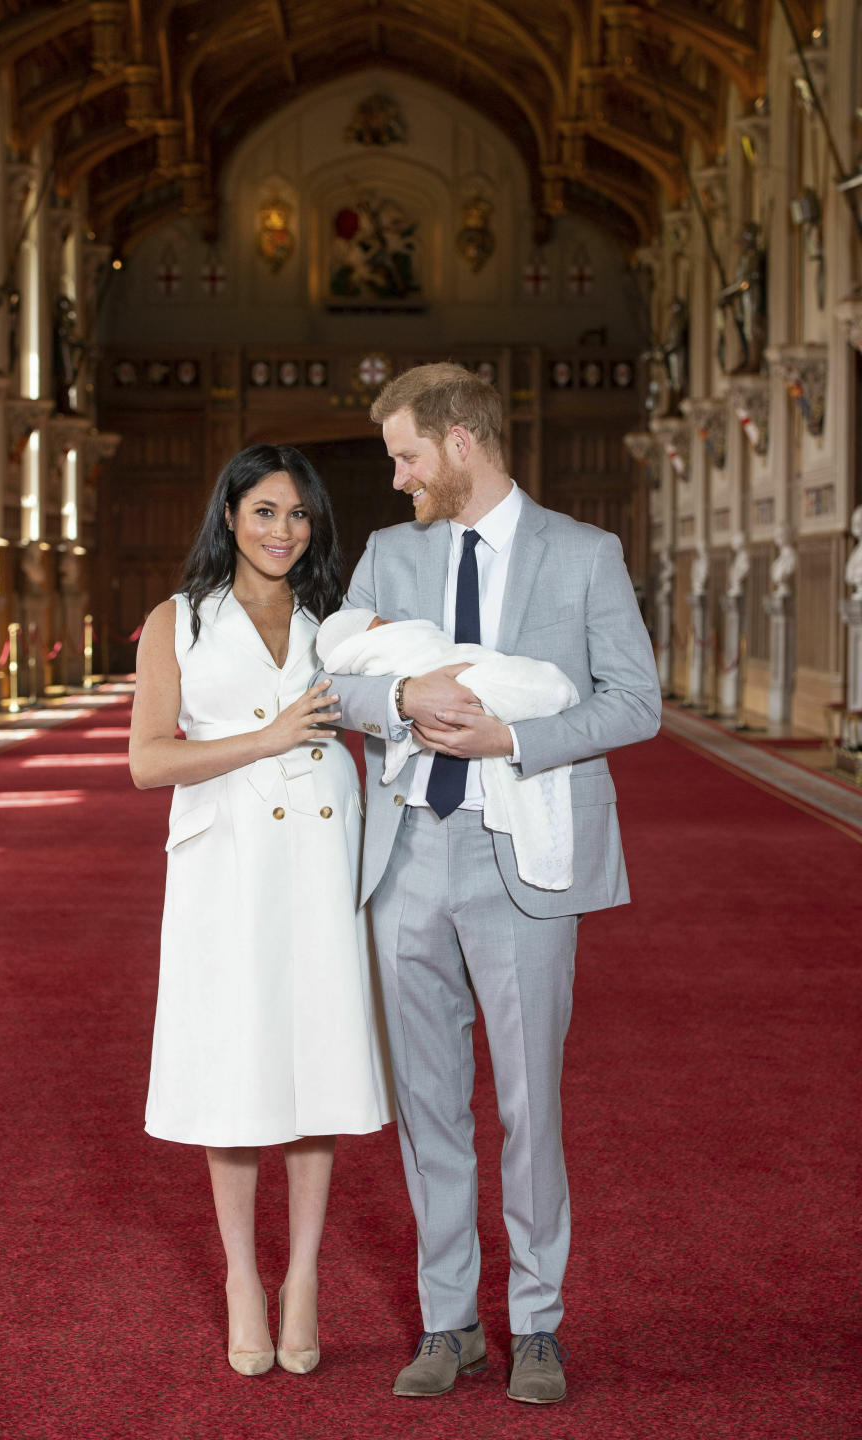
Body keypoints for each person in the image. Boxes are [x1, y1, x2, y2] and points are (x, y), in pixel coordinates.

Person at [317, 362, 661, 1406]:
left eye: (407, 456)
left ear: (461, 444)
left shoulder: (585, 554)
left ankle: (539, 1325)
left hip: (525, 855)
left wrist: (513, 732)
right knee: (429, 1106)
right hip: (409, 855)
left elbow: (635, 703)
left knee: (529, 1105)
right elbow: (336, 680)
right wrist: (403, 691)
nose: (398, 479)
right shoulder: (389, 553)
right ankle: (448, 1321)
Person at [129, 444, 392, 1379]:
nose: (284, 531)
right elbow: (149, 761)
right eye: (266, 511)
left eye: (300, 515)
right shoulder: (179, 621)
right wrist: (268, 735)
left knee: (315, 1058)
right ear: (231, 516)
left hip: (322, 853)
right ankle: (245, 1275)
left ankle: (304, 1278)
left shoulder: (338, 623)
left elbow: (392, 704)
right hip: (228, 860)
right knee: (238, 1066)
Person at [315, 607, 579, 889]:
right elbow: (323, 687)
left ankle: (549, 688)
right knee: (504, 684)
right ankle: (548, 688)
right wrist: (404, 697)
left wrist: (508, 740)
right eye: (380, 624)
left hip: (498, 817)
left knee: (506, 679)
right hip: (407, 831)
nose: (391, 623)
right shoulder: (378, 582)